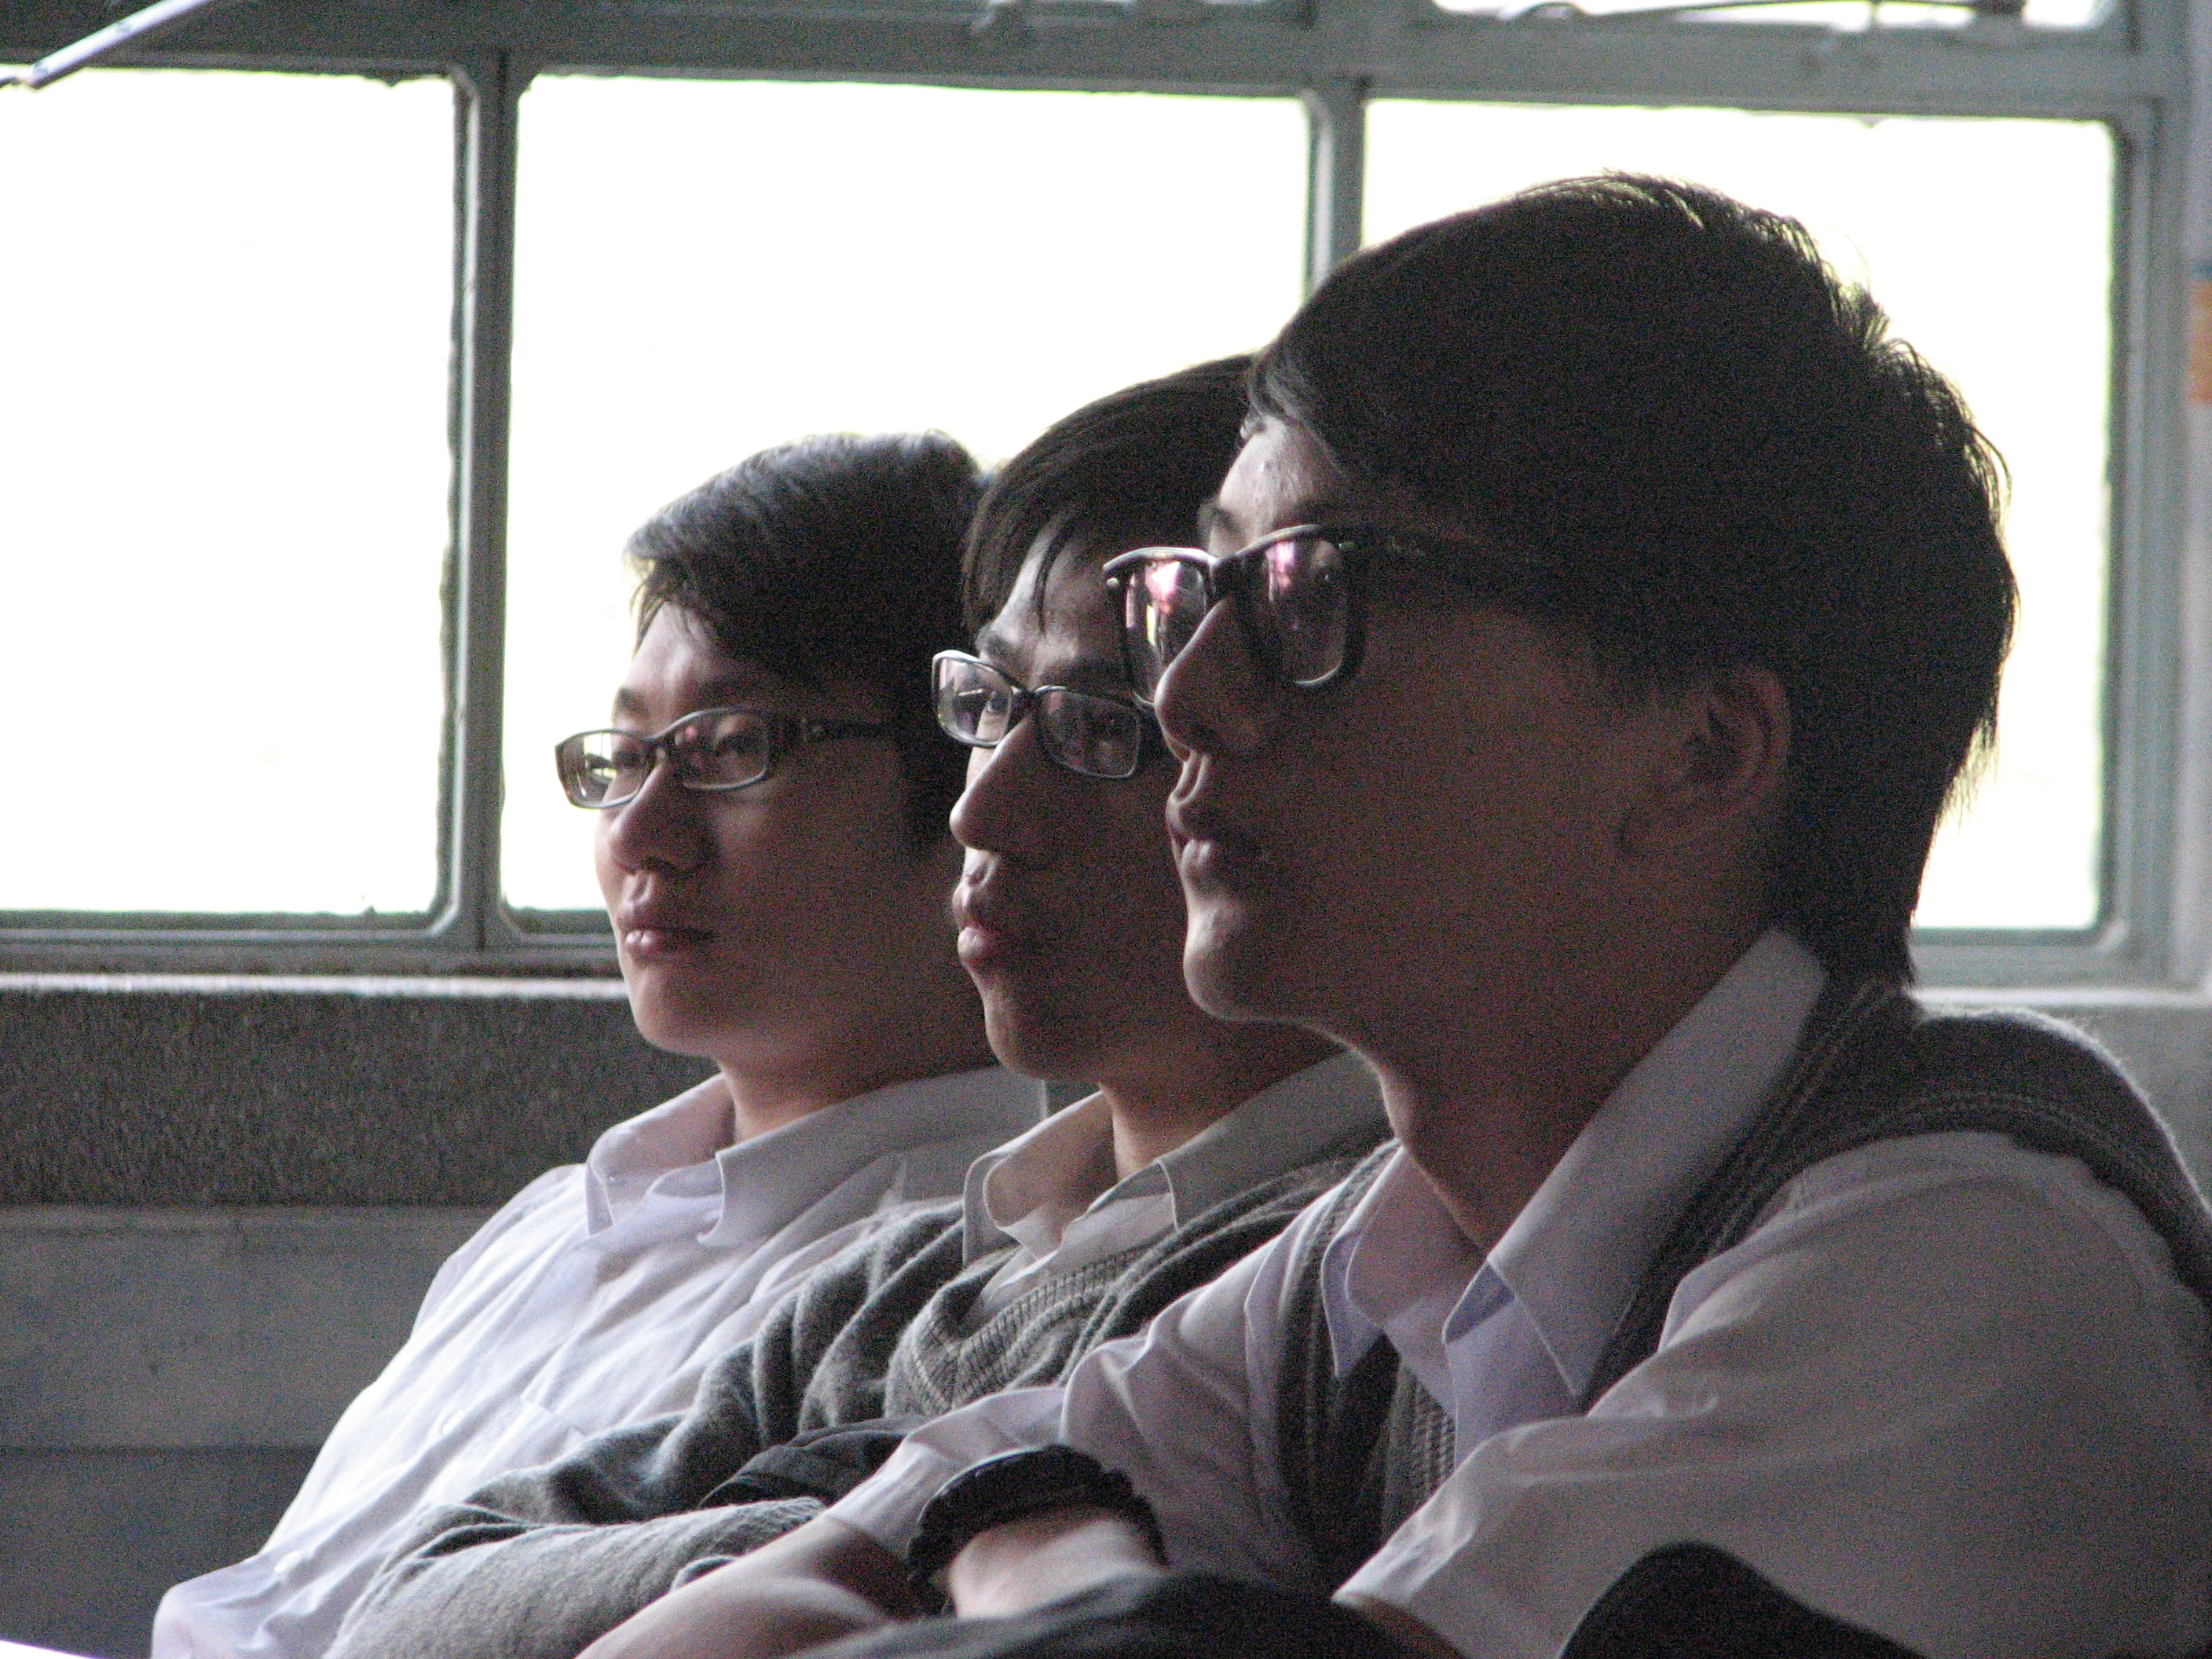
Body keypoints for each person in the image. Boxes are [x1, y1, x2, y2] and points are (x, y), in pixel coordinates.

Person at [591, 177, 2212, 1659]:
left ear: (1700, 754)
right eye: (1199, 592)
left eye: (1312, 597)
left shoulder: (1967, 1265)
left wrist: (1027, 1532)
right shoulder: (1372, 1271)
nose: (1187, 697)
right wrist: (1049, 1538)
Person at [320, 357, 1389, 1659]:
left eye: (1104, 727)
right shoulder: (913, 1278)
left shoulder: (1348, 1293)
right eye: (989, 707)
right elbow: (410, 1600)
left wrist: (866, 1525)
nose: (983, 805)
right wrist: (871, 1526)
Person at [152, 433, 1042, 1659]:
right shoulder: (555, 1224)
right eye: (626, 758)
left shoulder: (942, 1301)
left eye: (731, 749)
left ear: (970, 788)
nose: (641, 832)